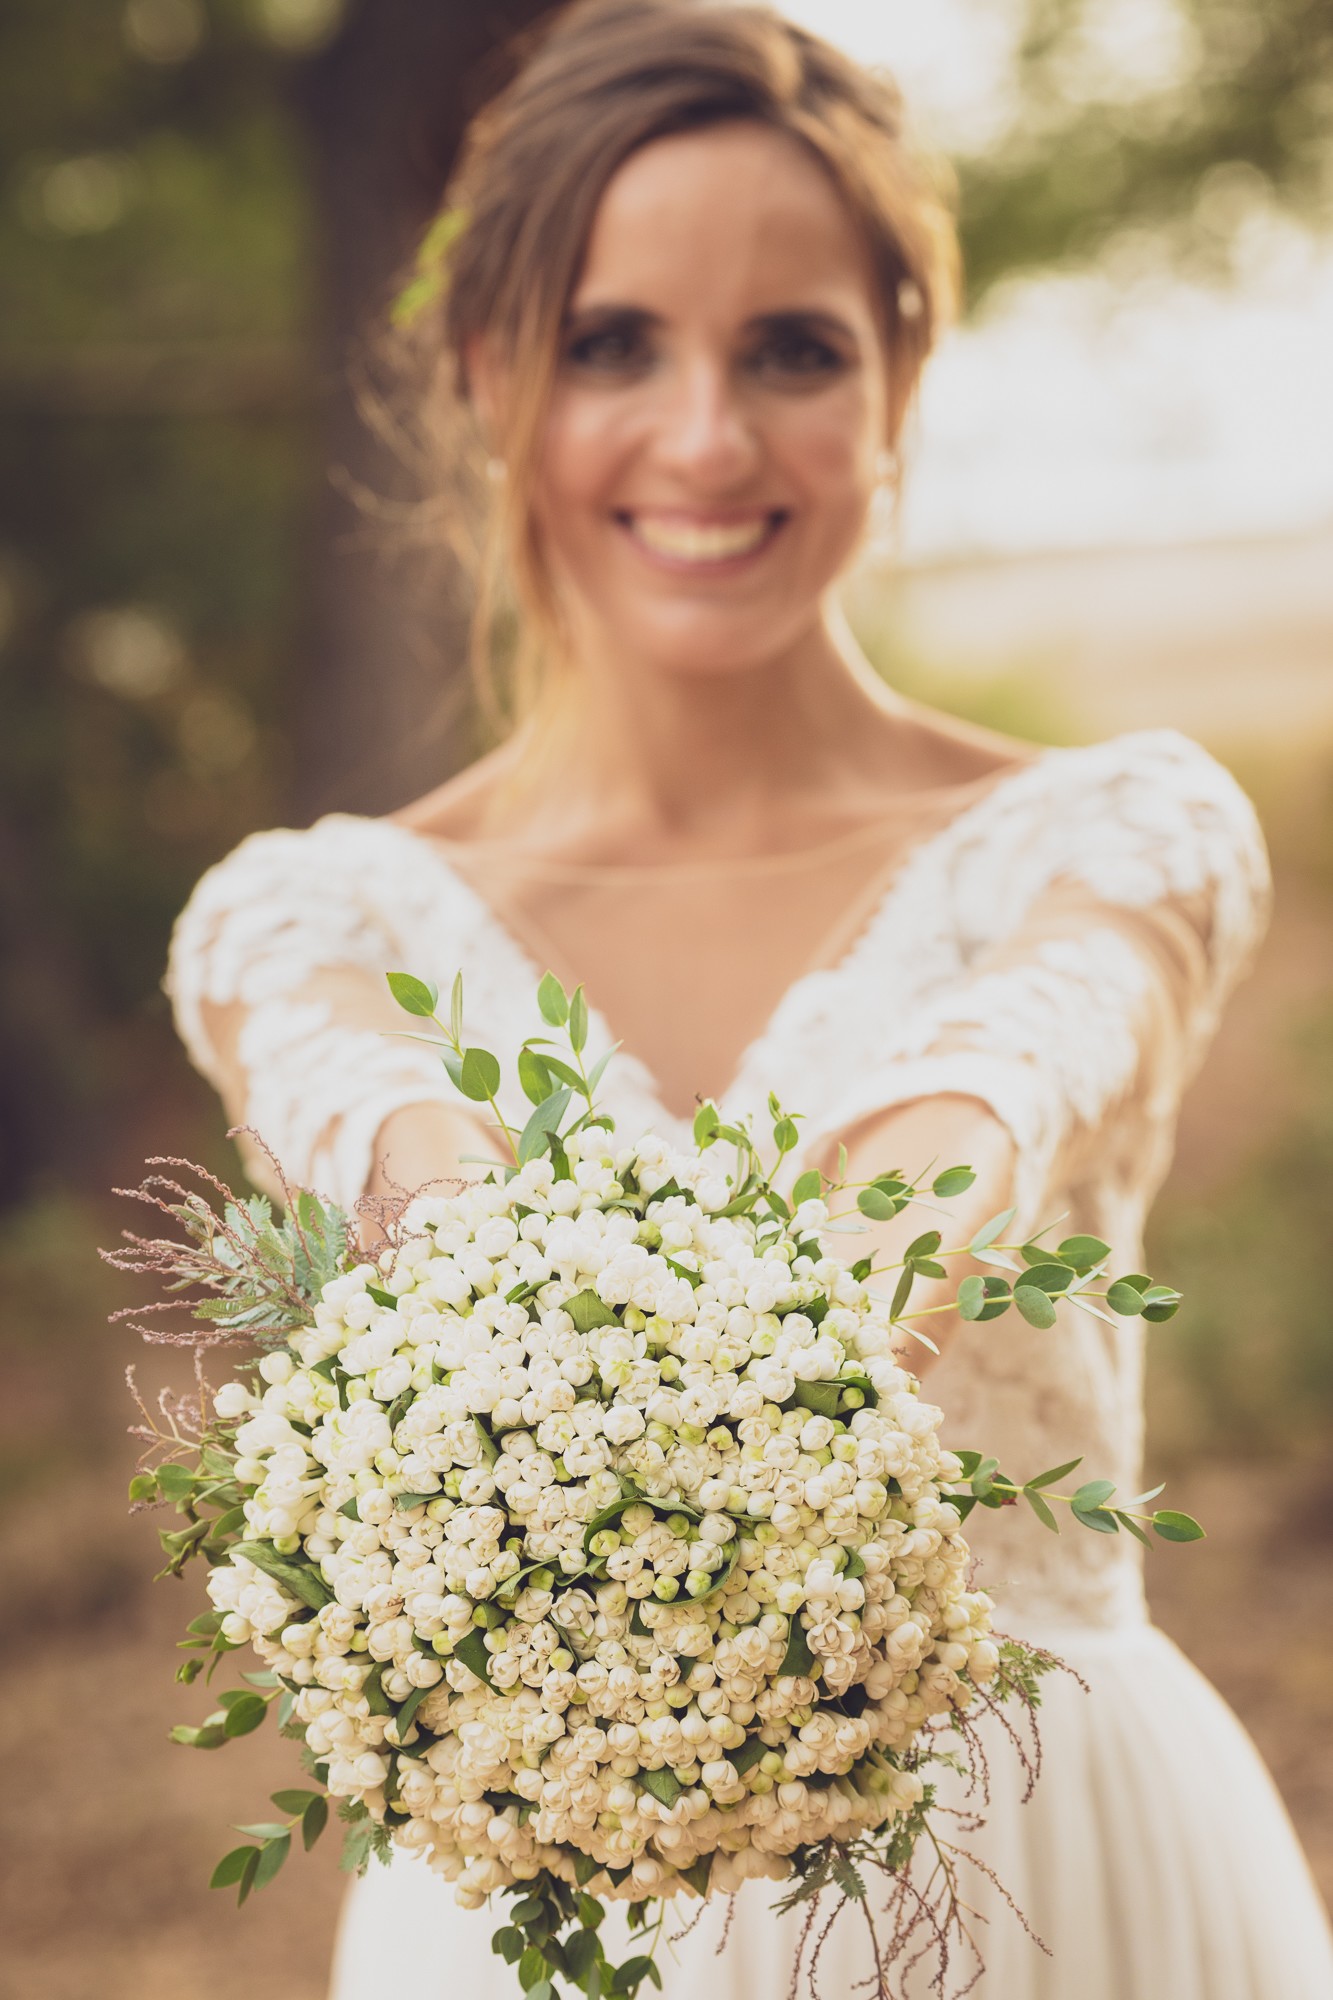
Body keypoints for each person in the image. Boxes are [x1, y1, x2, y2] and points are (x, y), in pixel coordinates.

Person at [164, 3, 1333, 1994]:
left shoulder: (1107, 834)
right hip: (539, 1920)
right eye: (612, 343)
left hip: (1061, 1879)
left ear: (899, 383)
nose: (705, 439)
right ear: (489, 378)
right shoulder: (311, 922)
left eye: (791, 348)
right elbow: (391, 1152)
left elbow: (1033, 1054)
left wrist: (902, 1211)